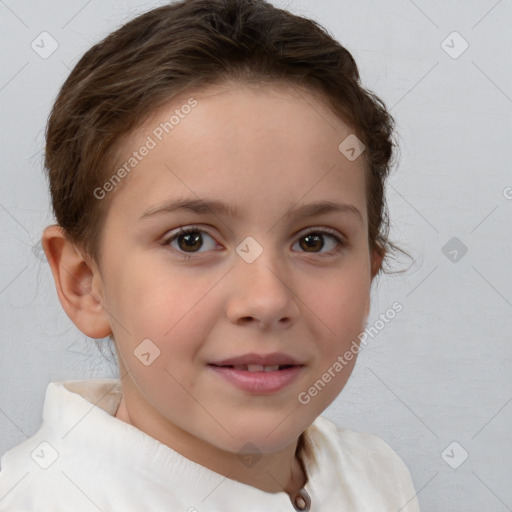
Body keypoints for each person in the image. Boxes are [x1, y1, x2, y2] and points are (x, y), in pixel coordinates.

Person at [0, 0, 420, 510]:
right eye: (191, 240)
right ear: (85, 282)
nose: (265, 300)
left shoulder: (377, 477)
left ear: (369, 272)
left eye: (315, 241)